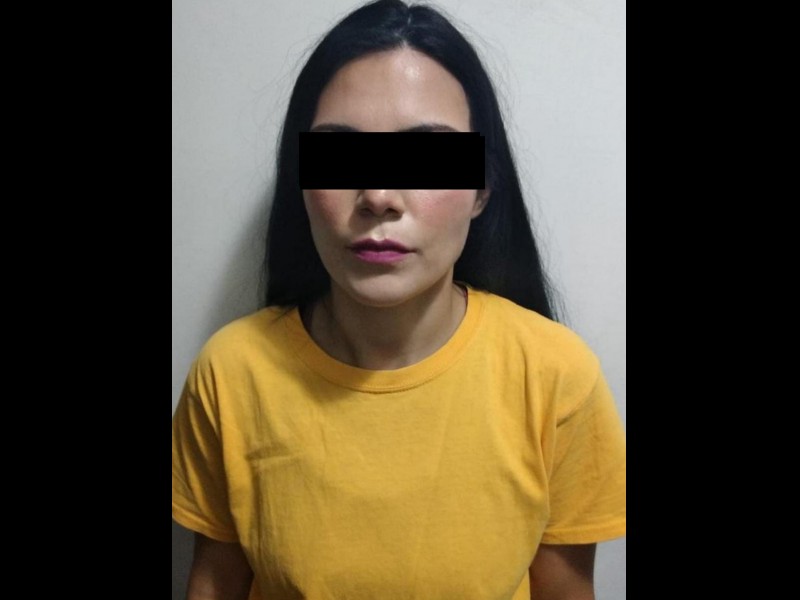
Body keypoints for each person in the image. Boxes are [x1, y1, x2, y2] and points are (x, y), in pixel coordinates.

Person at [171, 1, 626, 599]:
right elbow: (213, 585)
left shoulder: (556, 378)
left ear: (482, 189)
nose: (379, 195)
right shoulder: (231, 374)